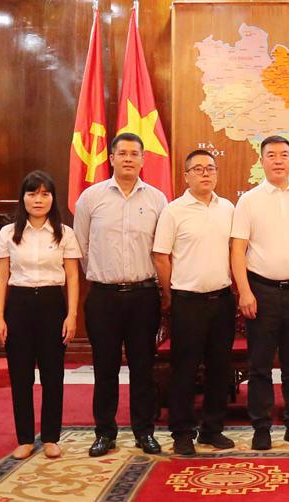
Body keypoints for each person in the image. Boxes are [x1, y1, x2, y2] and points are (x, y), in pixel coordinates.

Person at [74, 132, 168, 457]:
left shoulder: (158, 200)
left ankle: (145, 432)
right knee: (105, 367)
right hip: (104, 297)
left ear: (143, 159)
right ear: (111, 158)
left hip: (144, 295)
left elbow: (162, 249)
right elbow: (82, 247)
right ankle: (105, 432)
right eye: (122, 153)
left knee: (144, 367)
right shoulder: (90, 198)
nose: (128, 159)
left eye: (134, 154)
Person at [230, 135, 289, 451]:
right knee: (260, 365)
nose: (278, 160)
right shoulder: (249, 200)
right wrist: (244, 291)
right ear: (262, 161)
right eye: (271, 155)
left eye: (284, 154)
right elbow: (238, 248)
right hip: (261, 291)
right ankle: (261, 428)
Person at [0, 171, 81, 460]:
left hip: (52, 305)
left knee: (53, 375)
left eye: (44, 193)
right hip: (18, 305)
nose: (38, 199)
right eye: (32, 193)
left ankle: (52, 437)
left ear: (53, 198)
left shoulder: (65, 233)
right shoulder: (8, 233)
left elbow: (72, 276)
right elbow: (0, 277)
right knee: (21, 376)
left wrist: (71, 315)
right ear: (23, 198)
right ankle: (25, 438)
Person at [153, 150, 236, 455]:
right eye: (198, 169)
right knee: (184, 370)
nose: (205, 174)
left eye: (210, 168)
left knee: (219, 368)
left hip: (222, 300)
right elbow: (161, 256)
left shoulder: (228, 208)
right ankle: (182, 432)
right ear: (186, 175)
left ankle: (212, 430)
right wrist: (170, 294)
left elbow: (235, 250)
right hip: (187, 302)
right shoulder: (174, 211)